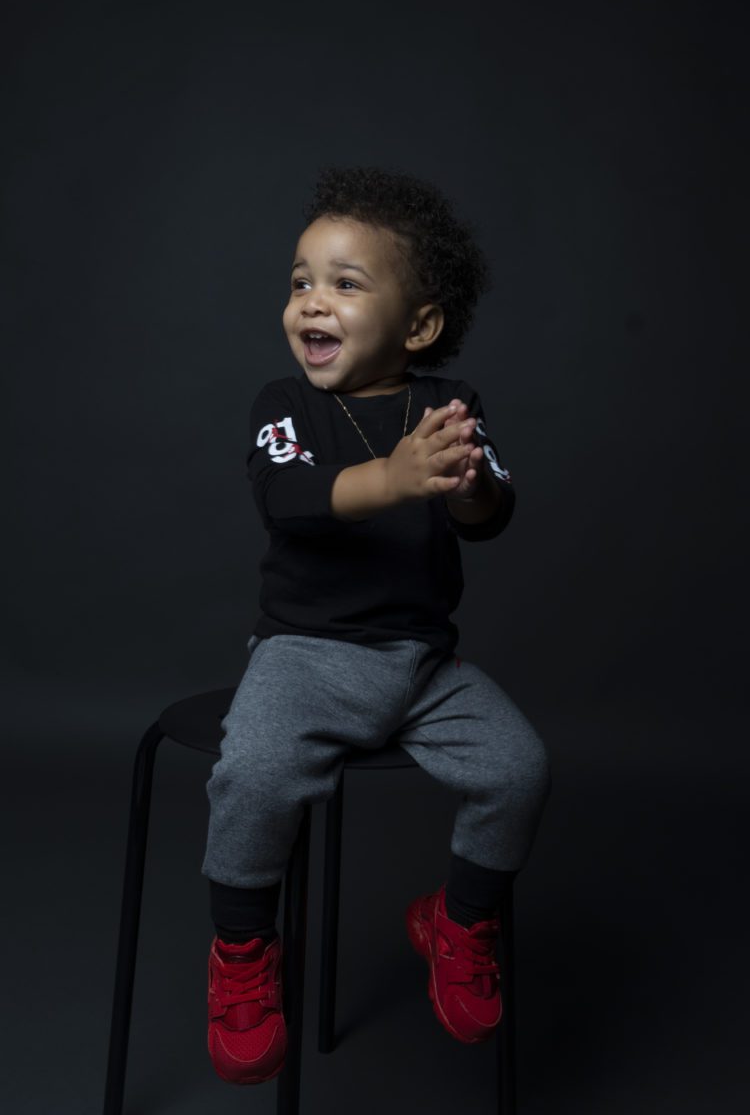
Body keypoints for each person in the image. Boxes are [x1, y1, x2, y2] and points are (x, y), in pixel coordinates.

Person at [202, 166, 550, 1084]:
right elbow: (289, 499)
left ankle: (459, 919)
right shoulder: (286, 405)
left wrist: (468, 485)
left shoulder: (449, 408)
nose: (312, 300)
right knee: (256, 773)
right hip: (305, 655)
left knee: (519, 768)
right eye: (300, 280)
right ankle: (241, 952)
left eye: (345, 284)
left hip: (422, 665)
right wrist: (393, 482)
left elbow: (493, 513)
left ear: (420, 325)